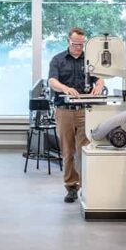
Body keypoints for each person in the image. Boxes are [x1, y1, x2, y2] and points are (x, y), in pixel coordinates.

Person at [47, 27, 104, 204]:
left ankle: (87, 185)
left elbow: (100, 76)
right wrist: (65, 88)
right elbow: (52, 81)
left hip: (84, 112)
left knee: (84, 150)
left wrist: (100, 84)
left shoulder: (89, 60)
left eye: (81, 44)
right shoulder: (58, 60)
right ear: (68, 42)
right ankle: (71, 186)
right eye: (75, 44)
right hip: (64, 111)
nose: (78, 48)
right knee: (68, 151)